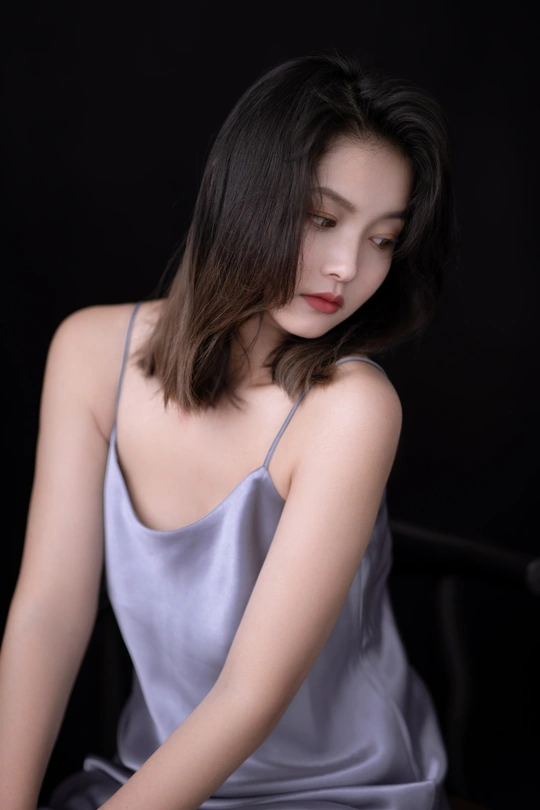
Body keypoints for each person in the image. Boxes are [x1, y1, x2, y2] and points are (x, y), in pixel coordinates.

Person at [0, 49, 456, 810]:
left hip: (335, 793)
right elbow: (48, 614)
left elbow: (250, 694)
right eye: (323, 219)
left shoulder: (350, 408)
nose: (348, 267)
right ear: (240, 194)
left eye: (383, 238)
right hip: (150, 781)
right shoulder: (88, 354)